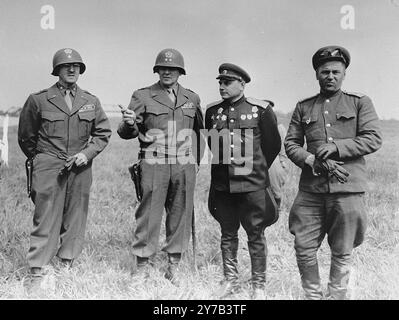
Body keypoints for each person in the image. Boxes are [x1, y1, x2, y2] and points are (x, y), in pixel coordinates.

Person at [284, 45, 382, 300]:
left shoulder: (360, 102)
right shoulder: (304, 106)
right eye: (324, 71)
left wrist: (337, 147)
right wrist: (309, 159)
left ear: (344, 73)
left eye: (335, 71)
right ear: (317, 74)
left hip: (347, 189)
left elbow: (372, 138)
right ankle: (312, 295)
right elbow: (291, 143)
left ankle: (337, 295)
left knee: (342, 249)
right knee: (303, 246)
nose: (330, 76)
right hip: (311, 191)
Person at [18, 48, 111, 286]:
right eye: (66, 66)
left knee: (75, 216)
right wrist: (44, 160)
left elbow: (102, 133)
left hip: (80, 167)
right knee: (45, 216)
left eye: (76, 66)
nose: (72, 70)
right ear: (57, 70)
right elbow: (26, 137)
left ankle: (66, 263)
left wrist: (86, 154)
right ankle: (38, 270)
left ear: (80, 70)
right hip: (49, 165)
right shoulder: (38, 99)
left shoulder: (90, 101)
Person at [117, 48, 204, 281]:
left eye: (172, 69)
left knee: (180, 214)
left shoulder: (191, 98)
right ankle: (142, 266)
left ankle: (173, 265)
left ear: (180, 72)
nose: (167, 72)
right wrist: (128, 124)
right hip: (154, 162)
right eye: (163, 68)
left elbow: (198, 132)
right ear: (157, 71)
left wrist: (195, 162)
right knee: (149, 215)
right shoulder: (142, 96)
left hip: (184, 163)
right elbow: (127, 132)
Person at [205, 63, 281, 299]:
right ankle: (230, 281)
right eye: (220, 82)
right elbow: (212, 143)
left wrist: (255, 169)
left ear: (242, 84)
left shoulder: (260, 110)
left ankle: (258, 284)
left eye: (227, 82)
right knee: (227, 232)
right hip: (223, 185)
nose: (222, 87)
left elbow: (271, 146)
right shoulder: (212, 111)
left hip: (252, 185)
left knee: (255, 233)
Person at [268, 122, 289, 209]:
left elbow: (282, 145)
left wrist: (283, 160)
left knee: (275, 190)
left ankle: (277, 211)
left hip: (274, 158)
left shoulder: (279, 126)